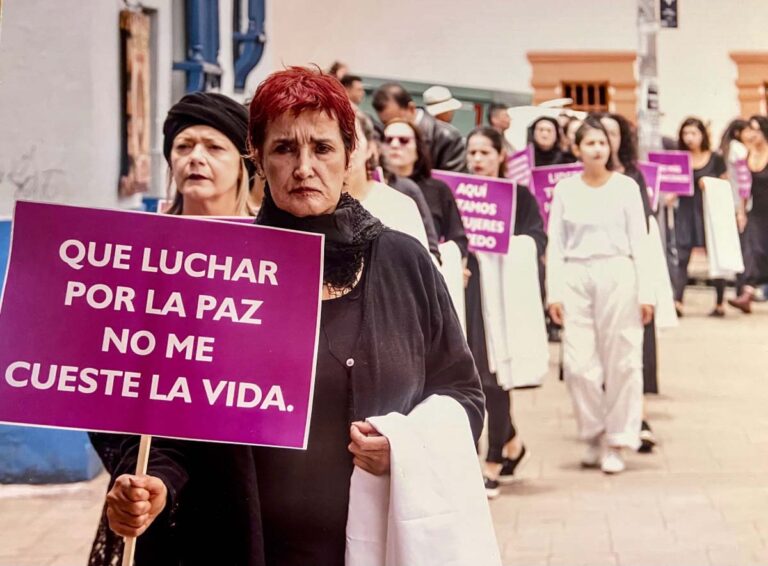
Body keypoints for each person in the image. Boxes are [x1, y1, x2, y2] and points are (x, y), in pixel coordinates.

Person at [101, 67, 484, 566]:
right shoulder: (216, 272)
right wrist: (155, 483)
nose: (304, 166)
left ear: (351, 154)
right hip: (241, 547)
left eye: (322, 148)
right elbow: (171, 421)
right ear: (256, 156)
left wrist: (407, 449)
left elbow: (463, 394)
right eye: (284, 149)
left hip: (381, 546)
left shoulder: (404, 263)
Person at [88, 91, 257, 565]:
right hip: (157, 474)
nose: (196, 158)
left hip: (249, 479)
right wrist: (141, 474)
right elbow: (104, 376)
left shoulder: (274, 255)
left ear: (244, 163)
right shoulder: (138, 254)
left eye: (213, 146)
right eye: (184, 147)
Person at [547, 116, 653, 474]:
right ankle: (593, 431)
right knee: (579, 365)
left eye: (602, 142)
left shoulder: (626, 187)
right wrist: (554, 292)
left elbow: (641, 239)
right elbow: (555, 243)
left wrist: (647, 292)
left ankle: (618, 439)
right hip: (576, 273)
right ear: (576, 149)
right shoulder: (565, 189)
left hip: (619, 272)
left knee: (622, 358)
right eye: (589, 143)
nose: (597, 148)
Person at [464, 126, 547, 497]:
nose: (478, 160)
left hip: (505, 297)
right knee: (478, 374)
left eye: (485, 152)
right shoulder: (460, 194)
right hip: (470, 297)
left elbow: (537, 237)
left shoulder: (520, 197)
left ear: (500, 155)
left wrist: (507, 247)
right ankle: (511, 441)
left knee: (495, 377)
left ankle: (494, 457)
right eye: (473, 153)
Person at [600, 112, 658, 452]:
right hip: (589, 276)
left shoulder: (633, 177)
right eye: (599, 135)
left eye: (612, 134)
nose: (606, 142)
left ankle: (638, 418)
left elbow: (643, 230)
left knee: (631, 352)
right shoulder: (574, 179)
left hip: (626, 272)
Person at [381, 118, 469, 257]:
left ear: (418, 147)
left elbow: (458, 240)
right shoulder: (373, 187)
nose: (395, 145)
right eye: (388, 140)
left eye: (403, 140)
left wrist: (452, 265)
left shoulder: (438, 189)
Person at [346, 110, 430, 250]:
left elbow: (417, 267)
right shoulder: (314, 205)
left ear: (371, 149)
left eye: (350, 139)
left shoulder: (400, 206)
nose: (344, 150)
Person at [670, 117, 728, 316]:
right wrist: (670, 194)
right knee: (682, 254)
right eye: (685, 133)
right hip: (686, 210)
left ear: (702, 134)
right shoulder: (680, 159)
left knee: (714, 254)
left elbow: (724, 185)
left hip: (708, 209)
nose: (689, 138)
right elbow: (672, 183)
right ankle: (677, 301)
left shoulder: (715, 158)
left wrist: (709, 183)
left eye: (693, 133)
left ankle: (720, 302)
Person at [372, 82, 466, 172]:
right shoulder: (383, 135)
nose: (393, 127)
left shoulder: (447, 137)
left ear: (411, 108)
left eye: (398, 119)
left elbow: (451, 182)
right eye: (386, 123)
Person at [729, 115, 768, 312]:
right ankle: (747, 294)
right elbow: (744, 187)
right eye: (750, 129)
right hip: (757, 211)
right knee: (753, 250)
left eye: (756, 129)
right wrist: (741, 212)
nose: (752, 134)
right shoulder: (747, 155)